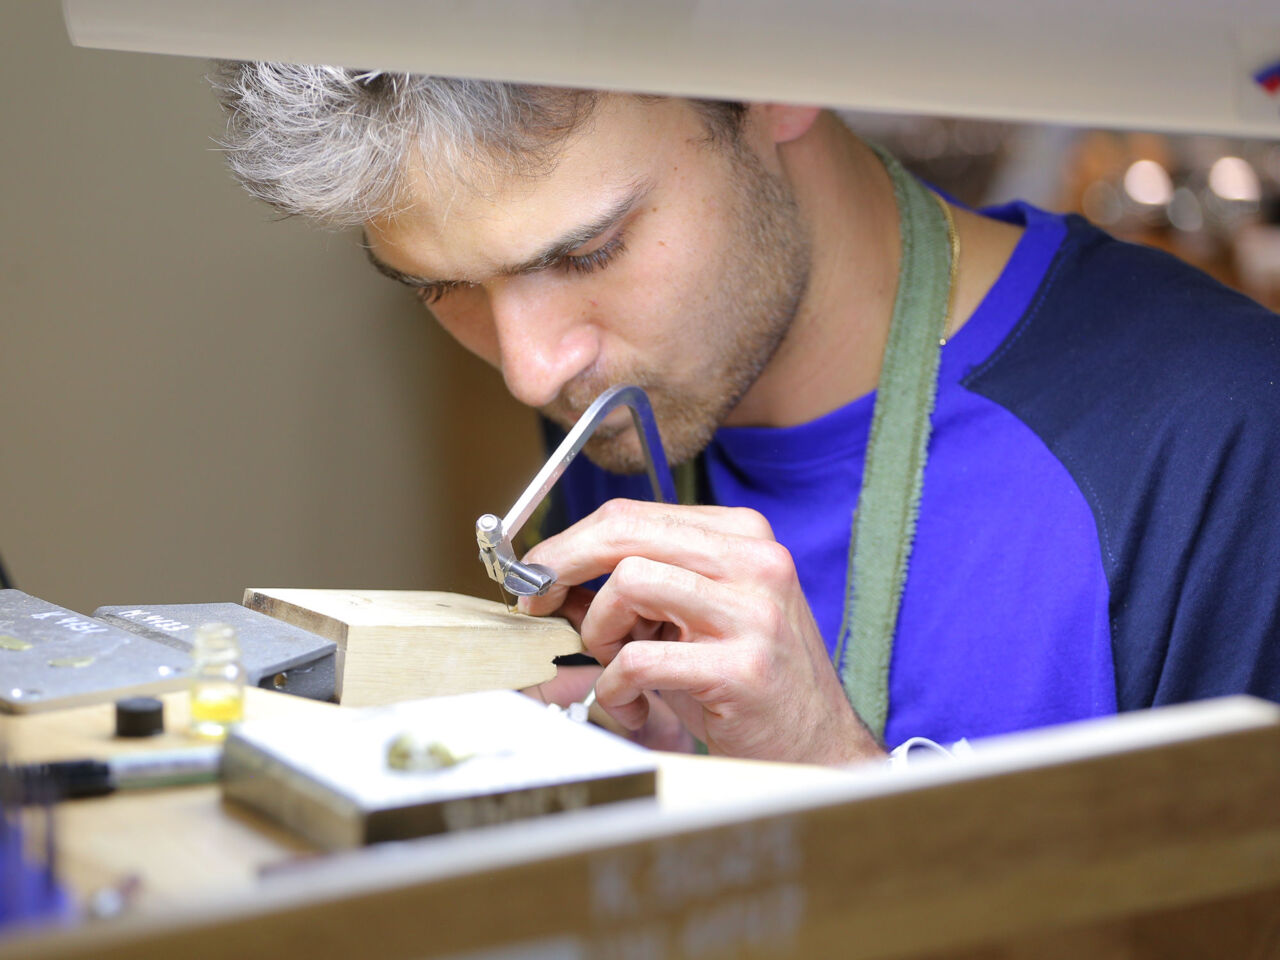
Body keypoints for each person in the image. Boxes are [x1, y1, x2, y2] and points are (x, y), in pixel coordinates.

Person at [210, 65, 1280, 766]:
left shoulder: (1214, 440)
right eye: (443, 289)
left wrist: (834, 777)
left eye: (587, 252)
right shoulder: (621, 401)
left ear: (773, 85)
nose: (533, 372)